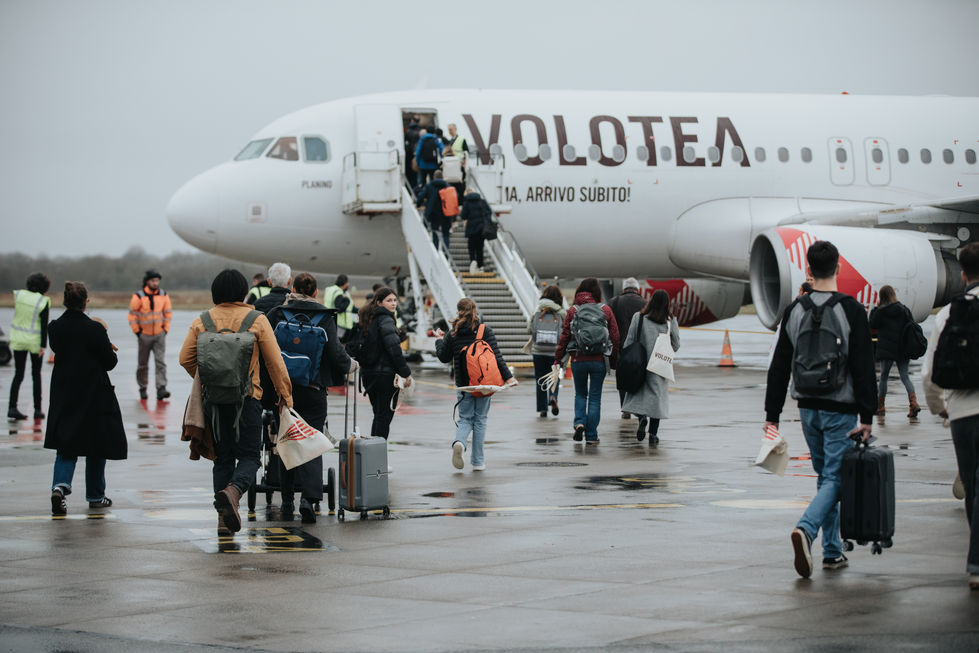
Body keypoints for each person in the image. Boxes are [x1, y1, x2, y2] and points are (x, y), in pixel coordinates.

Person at [764, 240, 876, 578]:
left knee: (825, 477)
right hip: (840, 409)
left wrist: (772, 415)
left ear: (809, 270)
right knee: (835, 479)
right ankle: (807, 530)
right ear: (839, 268)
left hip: (807, 408)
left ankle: (832, 550)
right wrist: (868, 416)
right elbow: (863, 367)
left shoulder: (794, 311)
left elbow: (779, 366)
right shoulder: (852, 310)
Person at [178, 269, 293, 535]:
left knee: (223, 459)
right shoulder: (257, 320)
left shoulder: (202, 320)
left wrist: (208, 376)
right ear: (244, 292)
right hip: (248, 399)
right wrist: (285, 397)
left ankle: (222, 521)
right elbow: (275, 363)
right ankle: (233, 491)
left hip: (214, 401)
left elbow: (185, 358)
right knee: (251, 457)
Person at [266, 273, 354, 523]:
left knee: (287, 440)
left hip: (283, 392)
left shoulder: (278, 313)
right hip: (314, 390)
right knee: (312, 441)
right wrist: (350, 365)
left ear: (292, 289)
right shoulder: (324, 317)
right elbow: (337, 355)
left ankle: (286, 501)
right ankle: (309, 498)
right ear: (316, 293)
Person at [922, 242, 979, 591]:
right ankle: (976, 560)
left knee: (972, 486)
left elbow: (929, 374)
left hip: (961, 413)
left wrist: (938, 407)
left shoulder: (949, 313)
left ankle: (976, 563)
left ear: (962, 274)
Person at [45, 282, 127, 515]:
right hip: (93, 392)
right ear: (86, 302)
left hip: (65, 392)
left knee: (66, 445)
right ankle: (95, 495)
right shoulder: (94, 329)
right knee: (96, 446)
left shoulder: (55, 328)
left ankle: (59, 487)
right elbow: (110, 362)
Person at [435, 298, 517, 471]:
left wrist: (439, 340)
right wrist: (508, 378)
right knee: (480, 420)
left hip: (464, 385)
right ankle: (478, 462)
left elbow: (443, 357)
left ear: (458, 311)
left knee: (465, 418)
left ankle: (460, 443)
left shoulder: (453, 333)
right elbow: (497, 356)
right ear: (475, 311)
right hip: (483, 384)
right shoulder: (484, 330)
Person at [553, 278, 620, 444]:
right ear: (597, 292)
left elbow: (564, 337)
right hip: (599, 360)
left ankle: (579, 423)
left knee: (581, 394)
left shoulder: (573, 310)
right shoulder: (605, 310)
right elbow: (615, 336)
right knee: (595, 398)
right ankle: (591, 436)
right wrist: (613, 361)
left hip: (578, 359)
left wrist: (558, 359)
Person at [622, 290, 680, 444]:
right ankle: (653, 435)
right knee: (656, 400)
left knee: (636, 396)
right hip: (659, 366)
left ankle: (641, 418)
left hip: (639, 364)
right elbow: (676, 344)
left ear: (651, 301)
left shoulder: (639, 317)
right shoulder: (670, 321)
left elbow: (629, 341)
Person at [357, 286, 412, 440]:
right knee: (384, 418)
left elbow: (378, 343)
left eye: (395, 300)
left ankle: (374, 456)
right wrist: (406, 373)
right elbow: (394, 350)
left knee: (378, 416)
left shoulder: (370, 319)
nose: (393, 304)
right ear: (379, 302)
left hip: (369, 375)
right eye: (389, 301)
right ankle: (378, 459)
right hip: (384, 376)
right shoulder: (386, 319)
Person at [869, 285, 920, 419]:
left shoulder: (881, 311)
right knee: (905, 376)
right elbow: (911, 324)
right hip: (903, 348)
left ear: (882, 297)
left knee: (884, 377)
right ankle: (913, 403)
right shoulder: (903, 309)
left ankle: (881, 407)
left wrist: (875, 307)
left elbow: (872, 324)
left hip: (887, 349)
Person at [8, 272, 51, 420]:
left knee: (18, 374)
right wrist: (43, 346)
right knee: (35, 375)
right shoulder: (42, 301)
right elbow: (44, 326)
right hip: (34, 341)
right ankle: (38, 410)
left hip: (18, 338)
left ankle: (12, 407)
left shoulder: (18, 295)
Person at [128, 269, 172, 400]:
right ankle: (142, 387)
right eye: (153, 280)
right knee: (142, 364)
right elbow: (132, 315)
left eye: (157, 280)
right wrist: (138, 332)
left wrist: (165, 330)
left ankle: (161, 388)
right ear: (147, 282)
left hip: (159, 334)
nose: (156, 283)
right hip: (144, 335)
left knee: (160, 362)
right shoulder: (139, 296)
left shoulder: (164, 295)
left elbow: (168, 313)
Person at [608, 277, 647, 417]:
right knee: (638, 378)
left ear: (623, 289)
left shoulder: (614, 302)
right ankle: (638, 409)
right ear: (638, 289)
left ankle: (625, 409)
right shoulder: (645, 304)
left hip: (620, 347)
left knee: (622, 379)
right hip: (640, 348)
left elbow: (608, 325)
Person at [529, 285, 566, 418]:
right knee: (554, 377)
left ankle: (542, 409)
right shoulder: (562, 312)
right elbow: (567, 330)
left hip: (538, 350)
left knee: (540, 378)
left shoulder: (538, 310)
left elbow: (529, 329)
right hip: (555, 351)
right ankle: (553, 396)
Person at [416, 170, 453, 250]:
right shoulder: (448, 186)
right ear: (442, 177)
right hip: (446, 213)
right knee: (446, 233)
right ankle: (446, 251)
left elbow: (421, 196)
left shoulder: (429, 186)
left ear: (434, 177)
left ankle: (436, 249)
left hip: (433, 213)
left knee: (435, 231)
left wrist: (418, 204)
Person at [461, 189, 491, 274]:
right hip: (481, 228)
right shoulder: (482, 201)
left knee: (471, 247)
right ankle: (481, 266)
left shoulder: (467, 203)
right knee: (480, 248)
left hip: (471, 228)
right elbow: (488, 212)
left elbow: (463, 215)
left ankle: (473, 261)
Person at [323, 274, 356, 341]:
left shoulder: (331, 290)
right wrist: (347, 301)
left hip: (329, 320)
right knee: (339, 344)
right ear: (345, 283)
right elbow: (339, 309)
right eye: (347, 283)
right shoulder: (339, 293)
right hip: (339, 323)